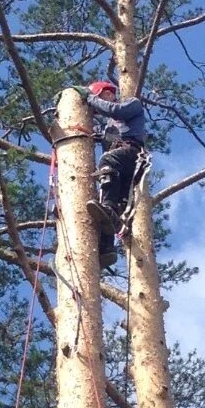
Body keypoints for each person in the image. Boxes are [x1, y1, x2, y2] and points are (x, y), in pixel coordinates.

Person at [77, 80, 147, 268]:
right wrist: (97, 136)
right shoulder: (112, 126)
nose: (100, 109)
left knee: (107, 162)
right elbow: (117, 137)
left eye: (100, 99)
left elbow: (117, 112)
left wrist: (89, 97)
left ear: (107, 93)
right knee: (117, 202)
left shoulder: (132, 104)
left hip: (131, 154)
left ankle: (108, 208)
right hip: (124, 160)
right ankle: (107, 248)